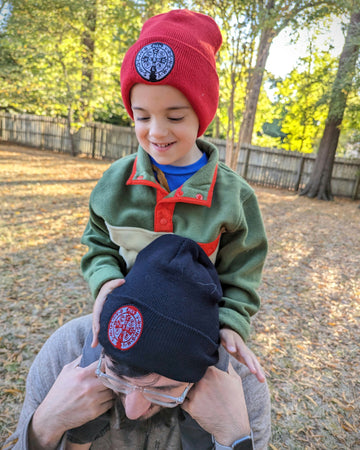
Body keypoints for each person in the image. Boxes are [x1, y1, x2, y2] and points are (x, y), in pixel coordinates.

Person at [80, 9, 268, 382]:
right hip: (122, 330)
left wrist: (230, 322)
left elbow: (242, 272)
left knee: (199, 423)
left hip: (189, 342)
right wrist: (104, 282)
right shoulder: (115, 183)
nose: (157, 131)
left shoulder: (233, 198)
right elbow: (98, 243)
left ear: (202, 114)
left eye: (175, 116)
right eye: (142, 116)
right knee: (88, 396)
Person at [4, 235, 271, 449]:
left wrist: (234, 437)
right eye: (116, 375)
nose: (132, 410)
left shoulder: (239, 381)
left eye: (165, 389)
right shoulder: (66, 351)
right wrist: (45, 426)